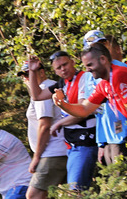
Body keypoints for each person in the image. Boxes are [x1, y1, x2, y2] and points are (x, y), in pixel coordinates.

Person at [53, 43, 127, 168]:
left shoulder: (118, 75)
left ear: (103, 59)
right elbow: (84, 109)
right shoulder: (104, 84)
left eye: (90, 65)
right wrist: (62, 104)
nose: (87, 70)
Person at [27, 51, 98, 190]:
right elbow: (37, 96)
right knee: (72, 194)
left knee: (76, 191)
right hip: (71, 144)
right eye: (58, 68)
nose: (63, 69)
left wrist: (59, 123)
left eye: (65, 64)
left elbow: (82, 112)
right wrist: (32, 71)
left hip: (86, 141)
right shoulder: (62, 83)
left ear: (72, 62)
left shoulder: (85, 78)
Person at [22, 58, 68, 199]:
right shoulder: (46, 88)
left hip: (53, 151)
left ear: (42, 71)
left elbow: (45, 125)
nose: (27, 77)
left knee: (34, 195)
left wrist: (36, 157)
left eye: (30, 73)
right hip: (60, 150)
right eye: (24, 75)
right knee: (71, 195)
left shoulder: (45, 89)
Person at [84, 30, 127, 165]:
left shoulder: (119, 67)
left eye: (102, 43)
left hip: (124, 133)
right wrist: (101, 143)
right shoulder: (89, 75)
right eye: (94, 47)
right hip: (107, 136)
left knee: (124, 180)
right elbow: (93, 108)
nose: (100, 49)